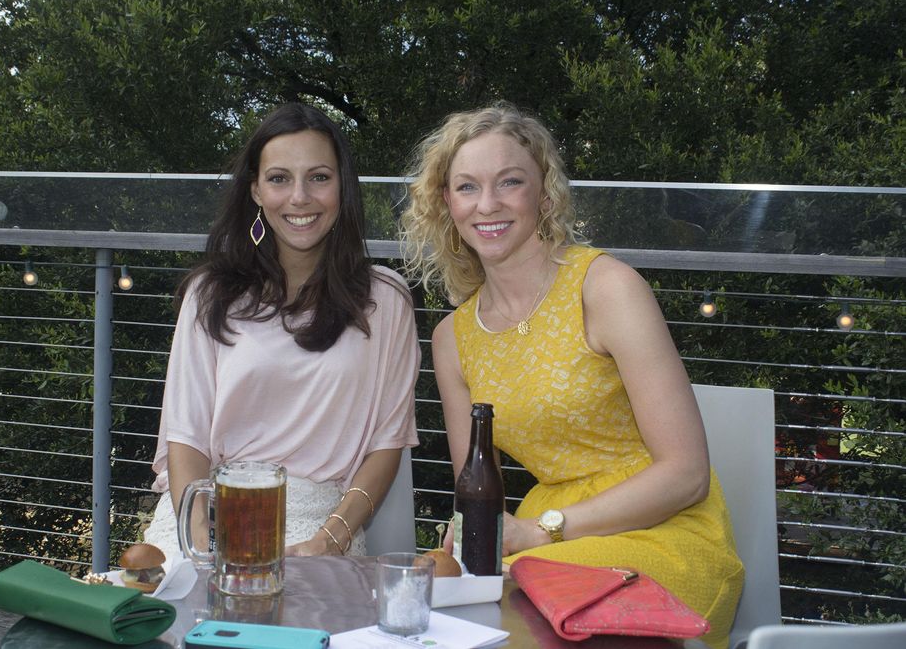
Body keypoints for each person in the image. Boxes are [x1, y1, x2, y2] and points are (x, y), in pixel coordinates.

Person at [400, 103, 743, 649]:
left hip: (664, 532)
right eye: (467, 187)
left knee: (520, 607)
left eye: (509, 182)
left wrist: (540, 532)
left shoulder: (605, 288)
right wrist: (463, 548)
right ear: (447, 203)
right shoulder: (451, 340)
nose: (487, 205)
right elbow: (478, 494)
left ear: (543, 192)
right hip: (543, 543)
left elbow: (687, 474)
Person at [145, 102, 420, 558]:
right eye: (279, 178)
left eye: (319, 177)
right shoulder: (210, 295)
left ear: (342, 187)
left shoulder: (385, 300)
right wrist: (200, 546)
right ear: (255, 190)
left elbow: (386, 444)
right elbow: (186, 436)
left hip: (323, 531)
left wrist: (329, 541)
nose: (300, 197)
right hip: (206, 518)